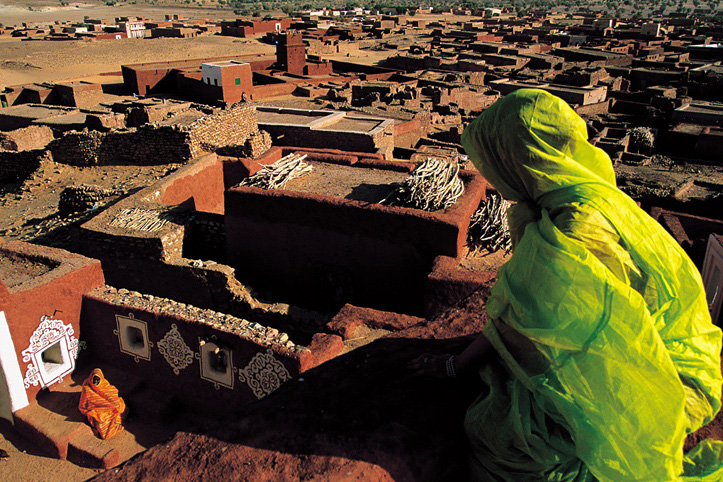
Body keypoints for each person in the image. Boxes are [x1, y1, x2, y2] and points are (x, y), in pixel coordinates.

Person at [409, 89, 723, 481]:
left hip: (661, 386)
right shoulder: (586, 193)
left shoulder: (573, 231)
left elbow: (518, 323)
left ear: (517, 159)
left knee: (502, 438)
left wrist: (454, 366)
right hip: (683, 352)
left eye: (491, 160)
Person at [78, 368, 126, 440]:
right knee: (101, 423)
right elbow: (84, 405)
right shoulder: (87, 388)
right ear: (91, 379)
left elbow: (112, 392)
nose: (96, 382)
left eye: (98, 380)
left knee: (121, 407)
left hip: (108, 407)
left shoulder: (103, 383)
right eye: (94, 380)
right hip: (97, 410)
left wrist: (112, 405)